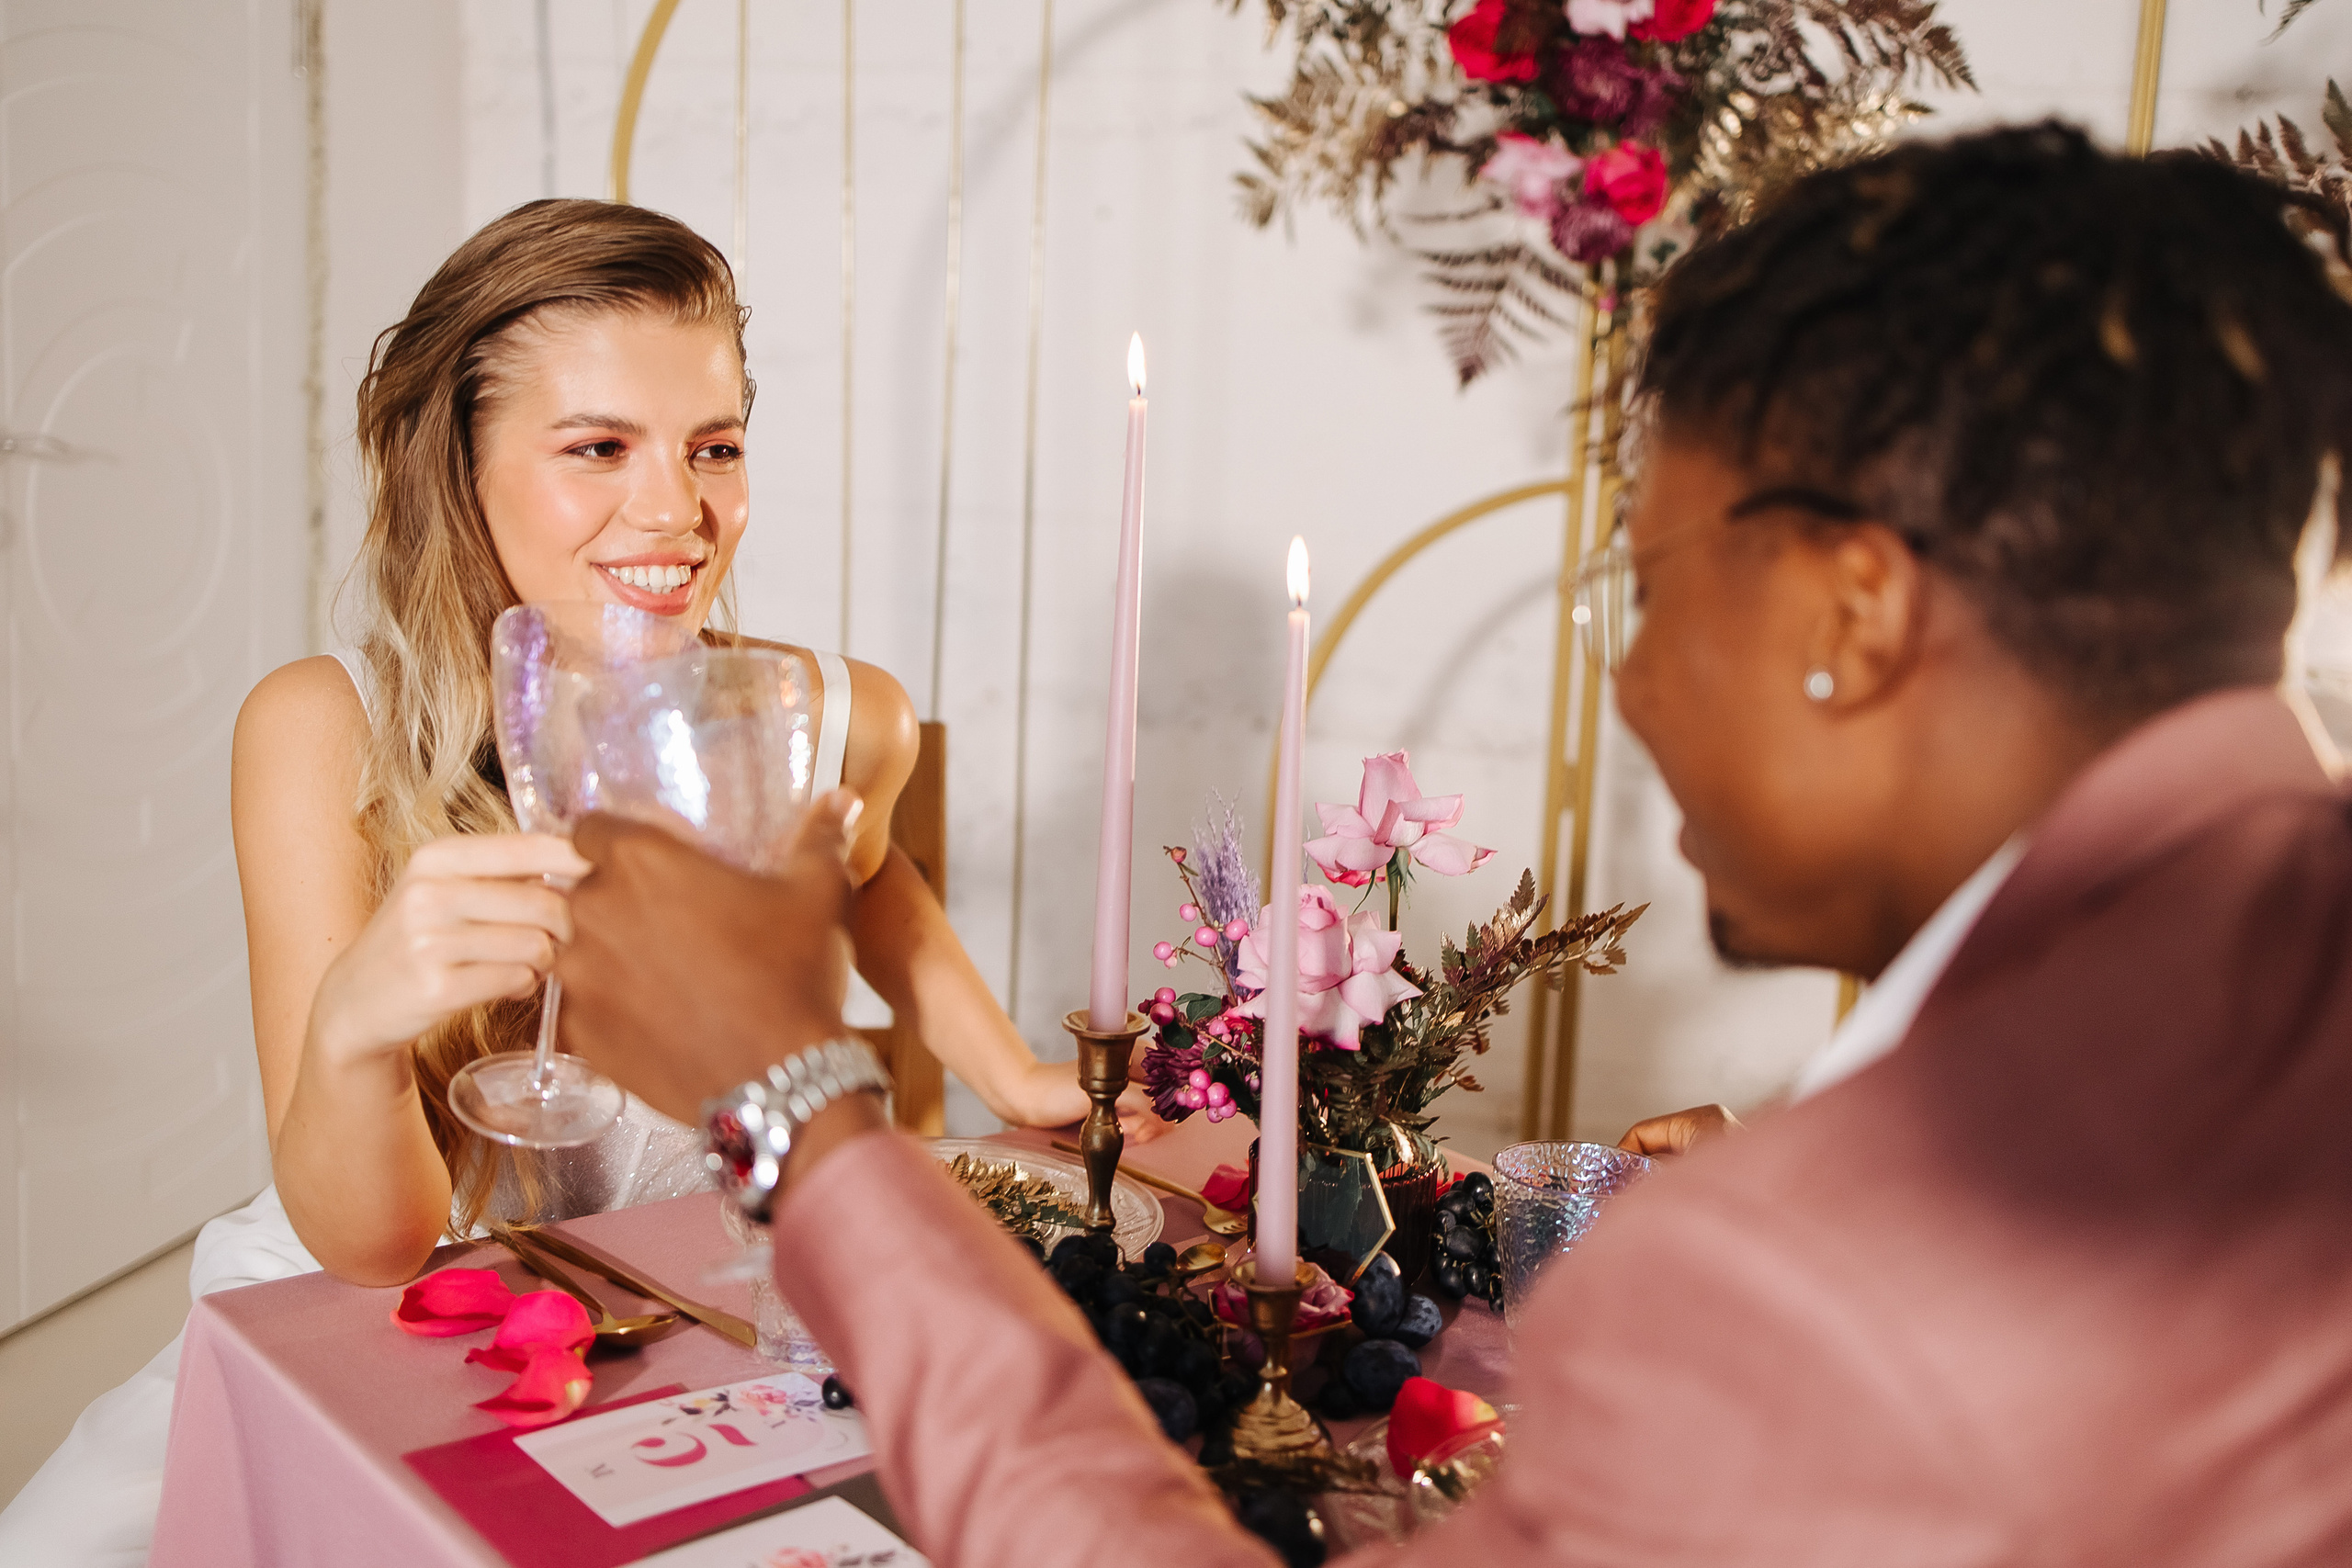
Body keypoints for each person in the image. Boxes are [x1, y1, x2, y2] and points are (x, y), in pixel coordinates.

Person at [552, 123, 2352, 1566]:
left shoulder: (1807, 1284)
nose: (1629, 684)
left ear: (1848, 614)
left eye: (1649, 588)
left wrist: (801, 1115)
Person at [0, 198, 1143, 1565]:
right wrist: (356, 1030)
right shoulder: (325, 733)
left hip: (683, 1321)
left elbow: (870, 875)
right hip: (387, 1318)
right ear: (459, 465)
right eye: (599, 447)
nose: (676, 511)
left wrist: (1011, 1072)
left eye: (714, 446)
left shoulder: (830, 715)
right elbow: (371, 1250)